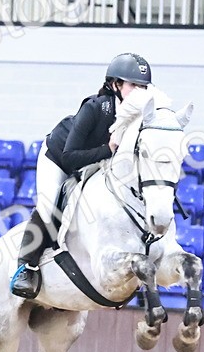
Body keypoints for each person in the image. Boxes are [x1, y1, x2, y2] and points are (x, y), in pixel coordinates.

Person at [9, 52, 153, 299]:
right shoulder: (95, 108)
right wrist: (107, 150)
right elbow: (69, 157)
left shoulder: (139, 118)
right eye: (133, 85)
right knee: (48, 206)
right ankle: (26, 267)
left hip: (98, 162)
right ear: (115, 85)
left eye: (143, 86)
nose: (139, 92)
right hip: (59, 158)